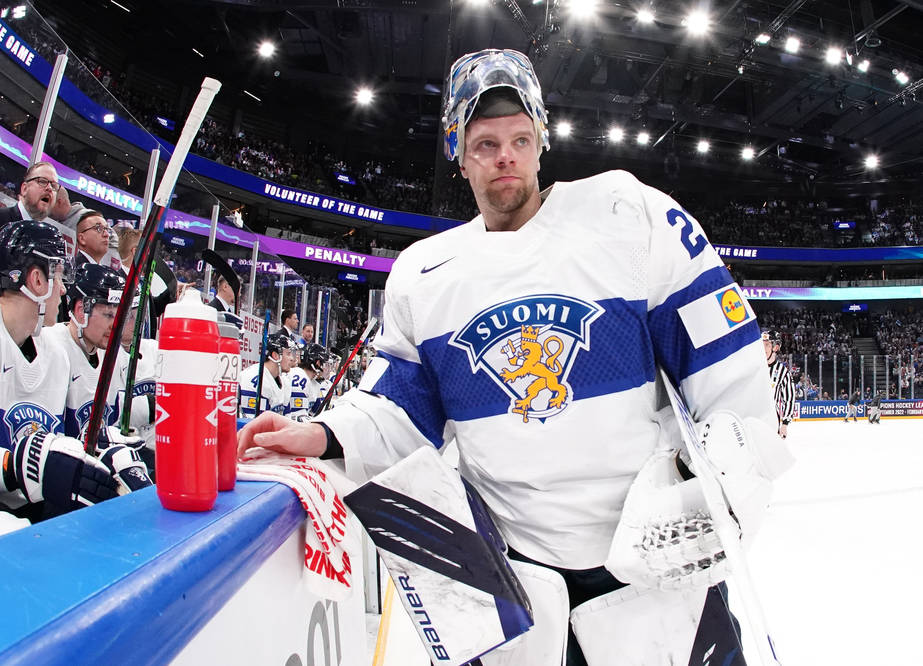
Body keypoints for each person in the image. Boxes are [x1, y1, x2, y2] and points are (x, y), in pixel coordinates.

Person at [238, 48, 779, 665]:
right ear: (458, 152)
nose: (505, 156)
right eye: (486, 142)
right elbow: (398, 408)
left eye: (521, 139)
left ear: (542, 141)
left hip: (650, 554)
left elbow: (722, 352)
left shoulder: (630, 215)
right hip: (515, 572)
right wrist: (319, 433)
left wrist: (731, 474)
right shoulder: (425, 273)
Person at [0, 221, 149, 527]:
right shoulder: (58, 344)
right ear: (36, 279)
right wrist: (11, 464)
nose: (64, 288)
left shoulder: (52, 353)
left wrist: (102, 452)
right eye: (57, 276)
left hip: (33, 515)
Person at [238, 331, 297, 418]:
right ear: (275, 355)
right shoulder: (256, 379)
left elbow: (287, 420)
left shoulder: (283, 379)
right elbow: (254, 426)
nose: (292, 359)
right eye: (288, 354)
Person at [0, 162, 59, 226]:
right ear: (24, 188)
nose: (49, 188)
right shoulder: (2, 219)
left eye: (54, 186)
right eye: (42, 181)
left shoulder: (47, 235)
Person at [763, 329, 795, 438]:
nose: (763, 349)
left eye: (767, 345)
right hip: (750, 422)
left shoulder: (782, 372)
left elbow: (789, 398)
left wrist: (785, 424)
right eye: (761, 345)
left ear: (775, 347)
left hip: (771, 423)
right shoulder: (752, 368)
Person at [287, 343, 329, 421]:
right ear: (318, 363)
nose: (327, 369)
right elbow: (297, 418)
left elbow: (317, 412)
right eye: (325, 364)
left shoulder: (314, 382)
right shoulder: (299, 377)